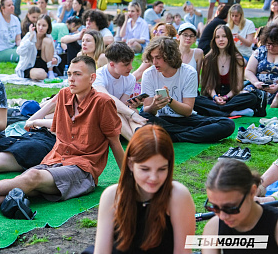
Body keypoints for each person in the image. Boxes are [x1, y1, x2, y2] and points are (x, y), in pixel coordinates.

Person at [0, 56, 124, 213]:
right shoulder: (65, 95)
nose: (71, 79)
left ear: (92, 78)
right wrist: (35, 123)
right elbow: (57, 128)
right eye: (69, 74)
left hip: (83, 168)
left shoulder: (103, 103)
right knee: (28, 182)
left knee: (33, 176)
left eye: (77, 74)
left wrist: (128, 178)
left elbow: (115, 142)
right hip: (56, 158)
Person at [89, 125, 195, 254]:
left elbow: (183, 251)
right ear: (130, 164)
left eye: (162, 169)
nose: (153, 178)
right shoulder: (112, 196)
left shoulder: (178, 196)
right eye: (145, 169)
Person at [140, 36, 235, 143]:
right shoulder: (148, 74)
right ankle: (190, 133)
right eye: (152, 58)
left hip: (185, 119)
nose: (154, 62)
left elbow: (187, 111)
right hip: (162, 119)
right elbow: (147, 110)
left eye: (158, 58)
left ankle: (174, 137)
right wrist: (154, 106)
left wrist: (169, 101)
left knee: (227, 124)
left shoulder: (189, 72)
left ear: (170, 56)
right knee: (143, 117)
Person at [202, 159, 278, 254]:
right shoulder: (214, 227)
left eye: (230, 208)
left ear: (252, 192)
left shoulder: (275, 225)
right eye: (214, 207)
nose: (222, 216)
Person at [195, 25, 258, 118]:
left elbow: (238, 85)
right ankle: (231, 112)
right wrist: (216, 97)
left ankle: (218, 111)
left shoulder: (237, 58)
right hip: (213, 95)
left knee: (252, 97)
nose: (221, 39)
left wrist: (226, 97)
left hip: (231, 95)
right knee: (196, 100)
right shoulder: (208, 58)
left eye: (224, 36)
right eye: (217, 37)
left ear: (229, 38)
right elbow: (208, 85)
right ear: (214, 40)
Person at [92, 42, 147, 140]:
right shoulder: (98, 75)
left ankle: (139, 134)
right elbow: (107, 99)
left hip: (115, 118)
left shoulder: (130, 79)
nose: (131, 67)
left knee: (131, 110)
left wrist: (132, 109)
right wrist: (132, 114)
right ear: (112, 64)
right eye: (126, 64)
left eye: (131, 62)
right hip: (95, 117)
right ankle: (134, 140)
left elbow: (122, 104)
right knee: (113, 110)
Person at [244, 24, 278, 108]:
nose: (270, 47)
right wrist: (256, 82)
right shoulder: (260, 51)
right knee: (246, 93)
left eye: (274, 44)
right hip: (259, 87)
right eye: (268, 44)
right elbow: (248, 71)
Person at [16, 14, 56, 80]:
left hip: (44, 65)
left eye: (44, 25)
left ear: (48, 27)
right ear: (35, 25)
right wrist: (31, 37)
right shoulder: (29, 35)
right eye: (39, 24)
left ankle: (50, 72)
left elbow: (54, 54)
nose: (40, 28)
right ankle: (45, 75)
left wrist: (55, 59)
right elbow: (20, 51)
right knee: (40, 74)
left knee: (47, 41)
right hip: (30, 67)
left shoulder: (48, 37)